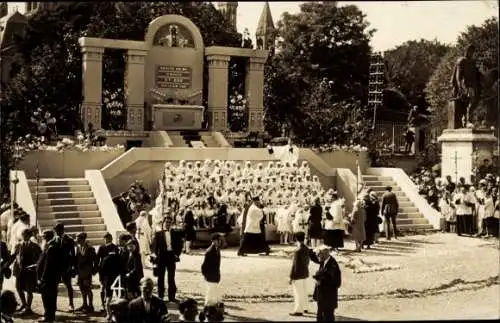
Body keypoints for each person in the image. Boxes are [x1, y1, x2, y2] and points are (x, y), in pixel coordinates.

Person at [150, 216, 183, 303]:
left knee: (171, 277)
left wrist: (177, 254)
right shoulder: (158, 234)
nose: (168, 224)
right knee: (161, 277)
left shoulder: (175, 233)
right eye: (166, 222)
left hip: (171, 256)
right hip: (161, 257)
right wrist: (154, 260)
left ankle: (172, 297)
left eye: (169, 222)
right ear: (163, 223)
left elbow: (180, 244)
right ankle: (160, 297)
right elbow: (154, 248)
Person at [11, 228, 41, 315]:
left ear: (30, 235)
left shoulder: (35, 246)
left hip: (30, 271)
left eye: (26, 235)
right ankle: (24, 304)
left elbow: (40, 258)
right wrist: (6, 265)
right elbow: (13, 256)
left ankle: (28, 308)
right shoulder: (18, 245)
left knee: (29, 290)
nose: (24, 236)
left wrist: (35, 267)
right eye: (23, 235)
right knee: (18, 287)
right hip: (20, 271)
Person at [289, 232, 318, 316]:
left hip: (298, 274)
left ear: (296, 239)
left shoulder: (297, 251)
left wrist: (291, 276)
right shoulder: (306, 248)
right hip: (305, 272)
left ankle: (298, 310)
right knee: (304, 291)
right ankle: (306, 307)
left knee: (298, 292)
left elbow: (295, 265)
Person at [312, 245, 341, 322]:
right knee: (320, 317)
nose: (317, 256)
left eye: (319, 254)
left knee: (328, 318)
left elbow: (337, 283)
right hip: (322, 297)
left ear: (324, 253)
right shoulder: (324, 261)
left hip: (328, 299)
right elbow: (312, 256)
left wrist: (321, 281)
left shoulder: (333, 265)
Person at [96, 232, 122, 320]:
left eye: (108, 238)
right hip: (104, 272)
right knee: (103, 288)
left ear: (111, 238)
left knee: (114, 288)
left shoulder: (115, 247)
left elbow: (118, 260)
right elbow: (97, 259)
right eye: (106, 238)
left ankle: (116, 306)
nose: (107, 240)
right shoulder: (101, 247)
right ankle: (103, 304)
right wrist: (99, 271)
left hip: (113, 272)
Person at [36, 230, 60, 323]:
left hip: (48, 279)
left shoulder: (51, 248)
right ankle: (50, 316)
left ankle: (48, 317)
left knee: (47, 298)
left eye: (43, 237)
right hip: (50, 278)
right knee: (51, 297)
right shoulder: (50, 246)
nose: (42, 239)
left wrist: (42, 278)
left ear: (47, 237)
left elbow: (48, 266)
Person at [53, 222, 76, 312]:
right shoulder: (54, 239)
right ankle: (54, 305)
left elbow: (73, 254)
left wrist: (71, 266)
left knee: (68, 285)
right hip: (57, 266)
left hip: (66, 266)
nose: (57, 232)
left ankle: (71, 304)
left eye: (59, 230)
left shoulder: (69, 239)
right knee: (55, 286)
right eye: (56, 230)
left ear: (62, 230)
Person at [75, 232, 97, 313]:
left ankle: (91, 306)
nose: (76, 240)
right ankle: (84, 304)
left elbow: (95, 260)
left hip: (87, 272)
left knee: (87, 289)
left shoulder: (90, 248)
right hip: (80, 272)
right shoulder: (77, 247)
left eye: (77, 238)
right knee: (81, 288)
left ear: (82, 239)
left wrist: (94, 270)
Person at [201, 234, 222, 307]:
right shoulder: (210, 250)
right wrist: (205, 274)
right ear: (214, 241)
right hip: (210, 275)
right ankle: (208, 307)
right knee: (210, 293)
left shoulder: (217, 249)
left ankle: (215, 306)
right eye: (218, 240)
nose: (220, 241)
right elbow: (204, 264)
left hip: (215, 274)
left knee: (214, 291)